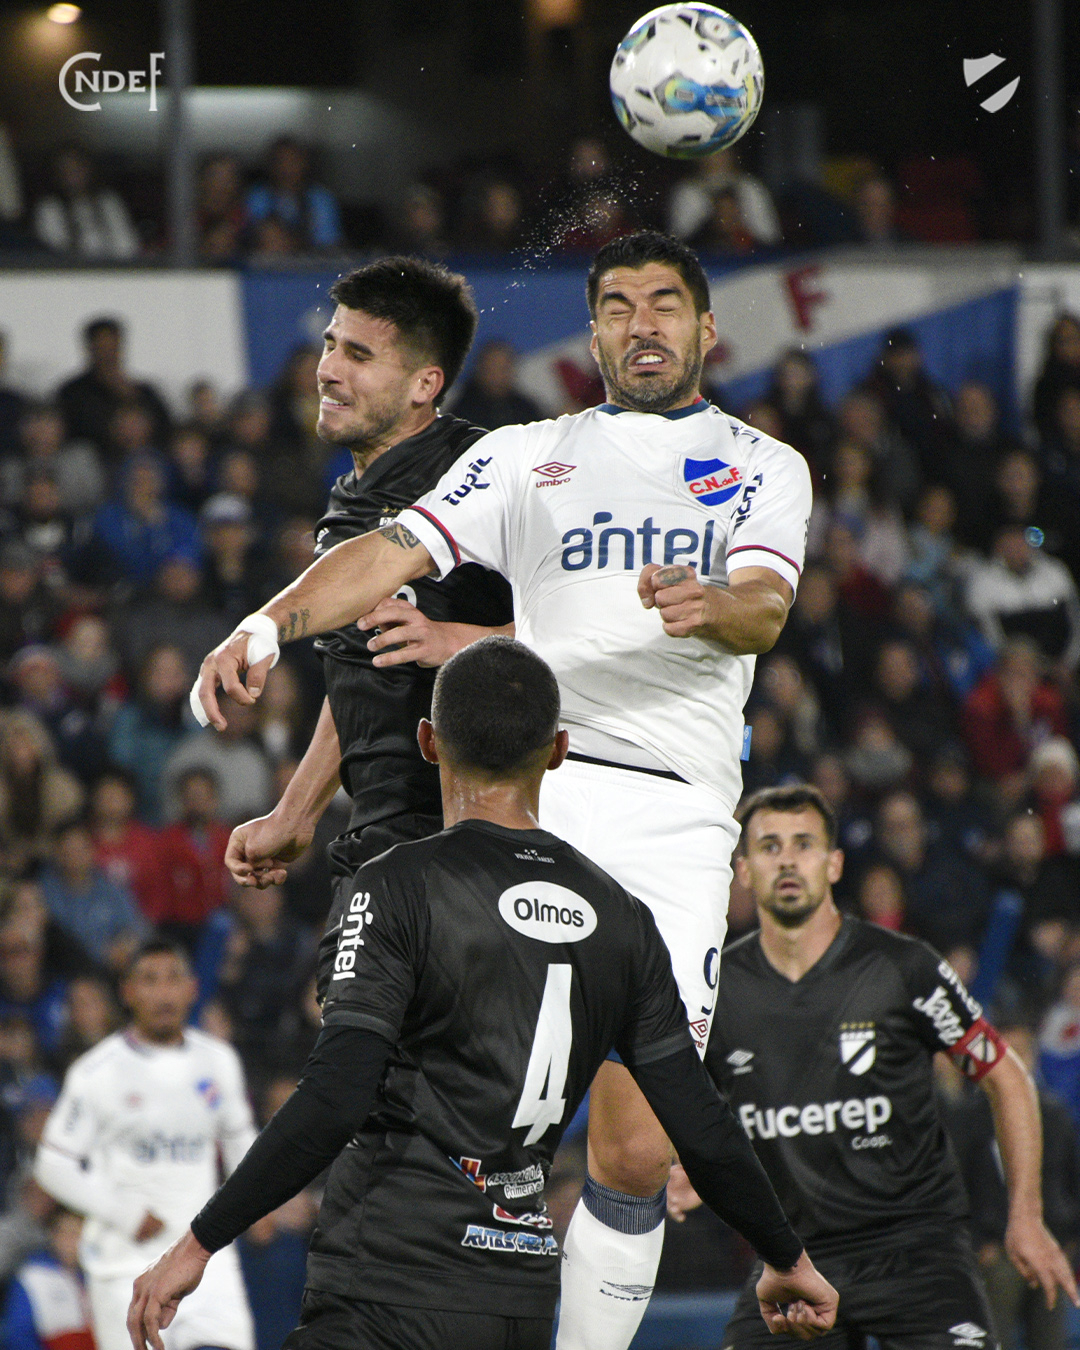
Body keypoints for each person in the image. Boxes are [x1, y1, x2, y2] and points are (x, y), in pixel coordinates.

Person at [192, 230, 813, 1350]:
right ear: (594, 334)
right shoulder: (530, 457)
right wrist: (267, 624)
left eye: (665, 304)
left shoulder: (764, 465)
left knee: (637, 1149)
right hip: (529, 797)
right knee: (449, 1105)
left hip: (674, 813)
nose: (642, 325)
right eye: (617, 306)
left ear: (707, 328)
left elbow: (765, 607)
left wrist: (710, 604)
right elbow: (391, 552)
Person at [130, 638, 837, 1350]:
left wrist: (199, 1242)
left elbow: (335, 1096)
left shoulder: (398, 884)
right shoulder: (623, 919)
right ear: (557, 751)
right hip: (515, 1305)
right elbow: (700, 1122)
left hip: (388, 1288)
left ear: (428, 743)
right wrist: (787, 1257)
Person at [672, 783, 1078, 1348]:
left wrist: (1026, 1216)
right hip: (793, 1263)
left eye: (804, 843)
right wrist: (683, 1161)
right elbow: (681, 1098)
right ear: (742, 870)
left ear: (835, 863)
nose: (787, 860)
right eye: (769, 846)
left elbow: (1006, 1076)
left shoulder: (904, 969)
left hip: (920, 1258)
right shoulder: (717, 991)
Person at [34, 939, 257, 1350]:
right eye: (149, 980)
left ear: (192, 988)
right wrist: (124, 1212)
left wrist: (262, 1206)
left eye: (172, 979)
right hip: (125, 1267)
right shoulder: (96, 1072)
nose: (162, 993)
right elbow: (52, 1164)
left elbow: (241, 1142)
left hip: (208, 1261)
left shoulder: (219, 1061)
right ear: (128, 991)